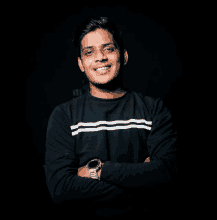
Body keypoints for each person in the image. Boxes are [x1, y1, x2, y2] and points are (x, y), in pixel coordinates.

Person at [43, 16, 178, 218]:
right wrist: (142, 178)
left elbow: (166, 176)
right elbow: (61, 190)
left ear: (123, 56)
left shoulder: (153, 110)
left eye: (108, 49)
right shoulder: (64, 116)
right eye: (89, 52)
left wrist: (97, 171)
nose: (100, 58)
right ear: (81, 64)